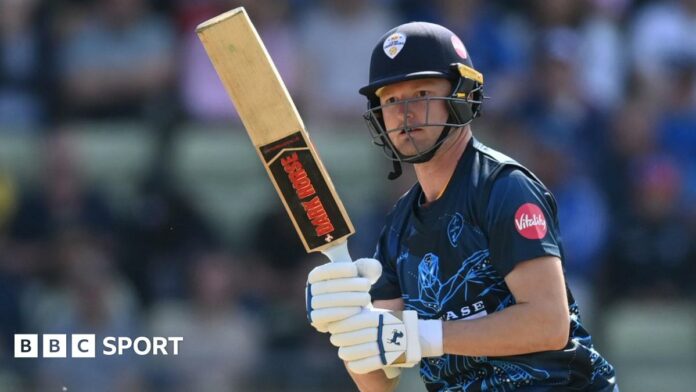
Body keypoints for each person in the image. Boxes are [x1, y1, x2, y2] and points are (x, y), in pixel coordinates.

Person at [305, 22, 618, 391]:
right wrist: (348, 324)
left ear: (463, 96)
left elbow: (549, 323)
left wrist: (422, 336)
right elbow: (379, 383)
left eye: (421, 93)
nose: (404, 113)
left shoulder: (503, 189)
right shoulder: (399, 226)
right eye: (391, 101)